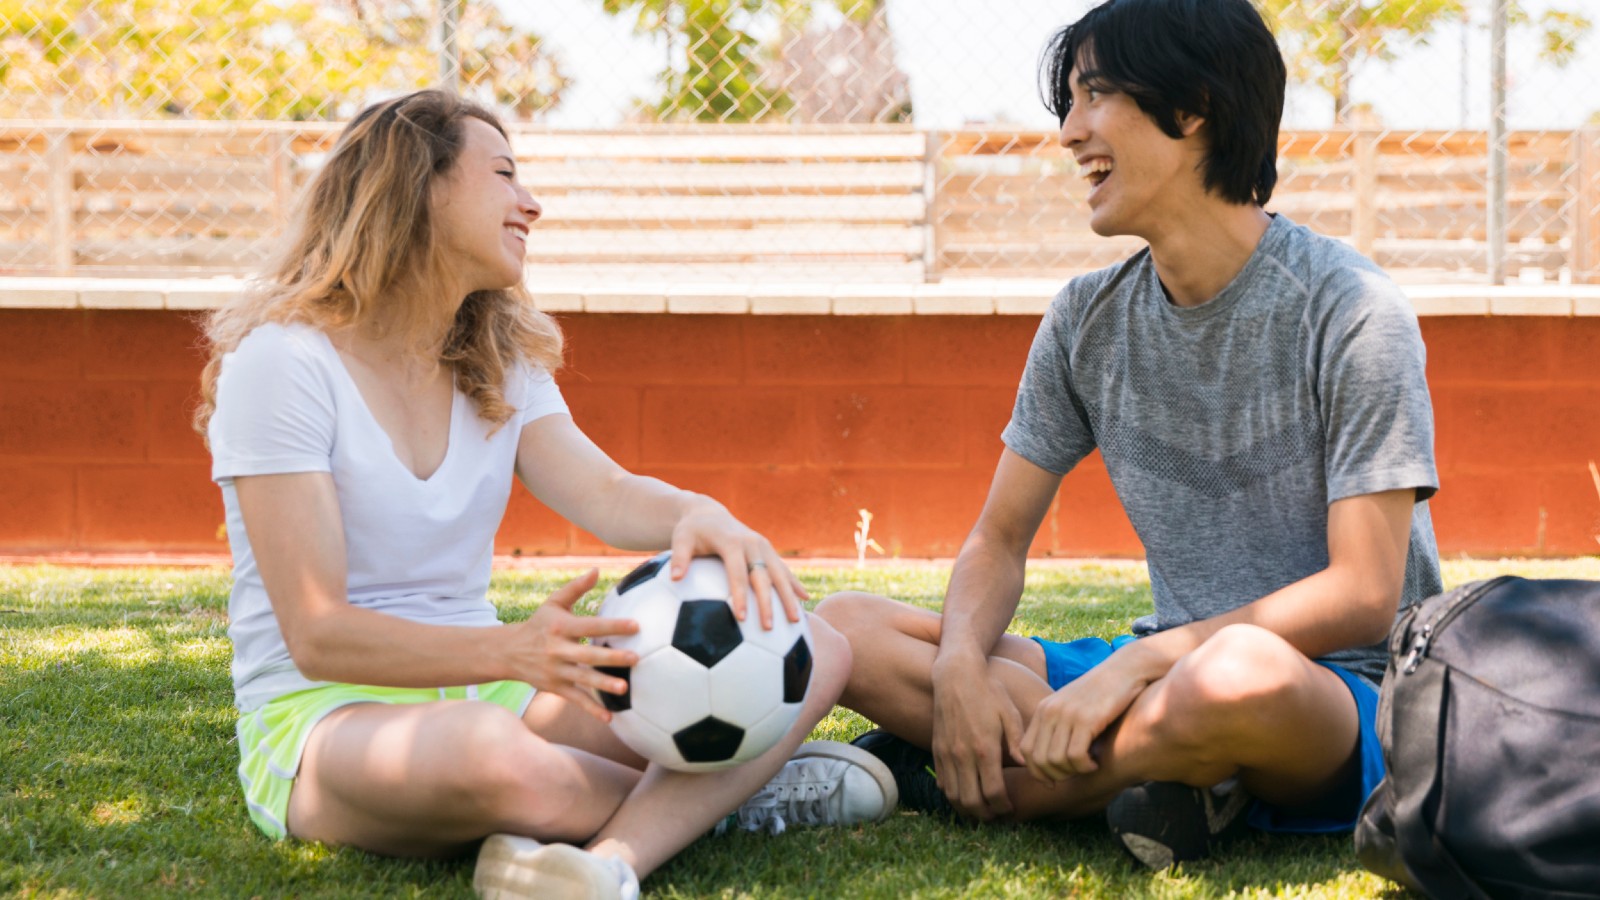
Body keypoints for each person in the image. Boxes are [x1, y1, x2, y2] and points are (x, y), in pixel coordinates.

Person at [196, 89, 895, 900]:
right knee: (498, 758)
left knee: (820, 647)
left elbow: (604, 491)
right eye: (503, 174)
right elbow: (319, 635)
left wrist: (700, 515)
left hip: (496, 690)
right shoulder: (283, 366)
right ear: (417, 187)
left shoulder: (496, 360)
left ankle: (611, 865)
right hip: (326, 717)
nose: (531, 202)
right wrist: (514, 651)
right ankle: (736, 796)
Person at [816, 0, 1442, 869]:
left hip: (1337, 692)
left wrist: (1132, 674)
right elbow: (997, 540)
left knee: (1235, 680)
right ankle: (1171, 782)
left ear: (1192, 111)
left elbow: (1363, 593)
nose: (1069, 132)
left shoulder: (1351, 309)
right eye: (1068, 103)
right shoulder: (1085, 319)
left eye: (1094, 96)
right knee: (844, 627)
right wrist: (960, 667)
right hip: (1154, 673)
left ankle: (990, 784)